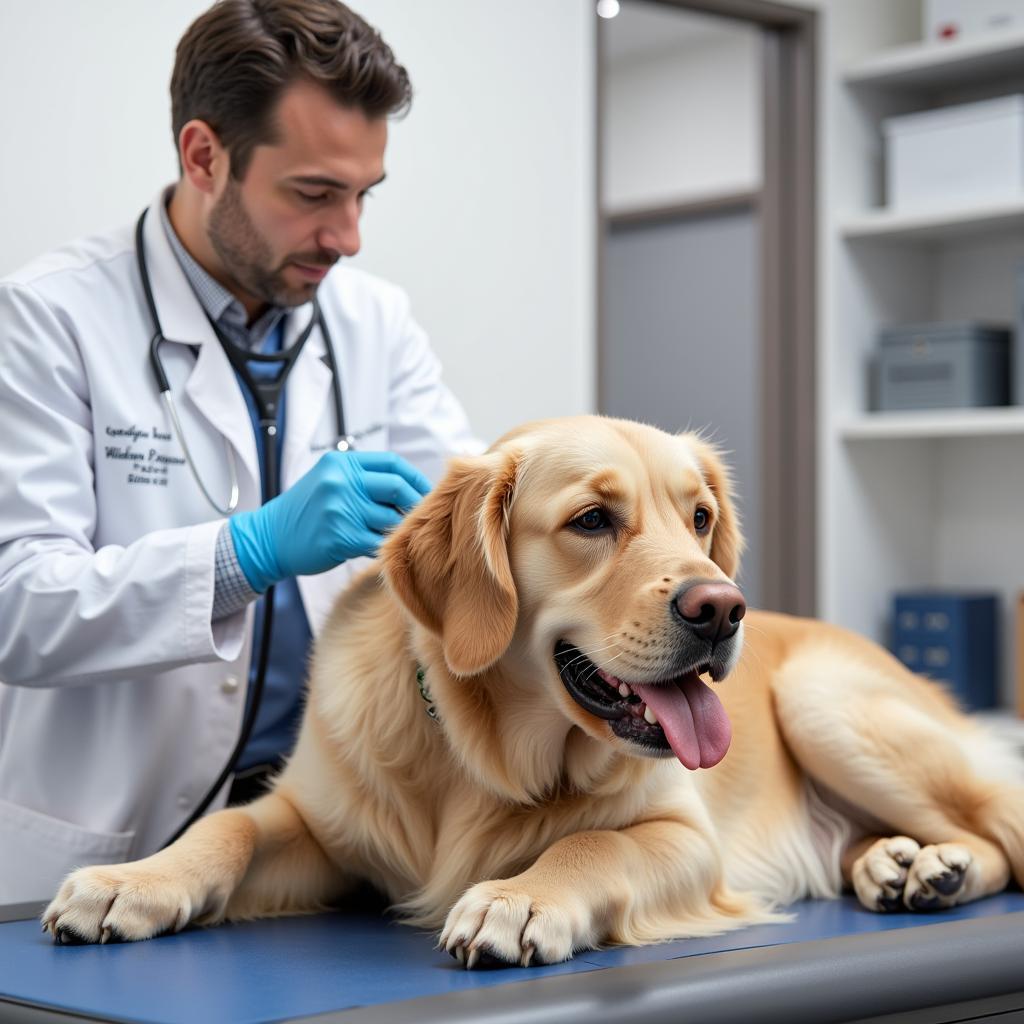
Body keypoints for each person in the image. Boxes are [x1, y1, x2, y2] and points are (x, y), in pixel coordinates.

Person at [0, 0, 480, 902]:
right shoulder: (47, 320)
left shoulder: (373, 323)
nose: (348, 236)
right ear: (203, 156)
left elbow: (469, 509)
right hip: (113, 843)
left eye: (362, 193)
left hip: (327, 842)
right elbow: (15, 603)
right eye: (313, 194)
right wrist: (241, 555)